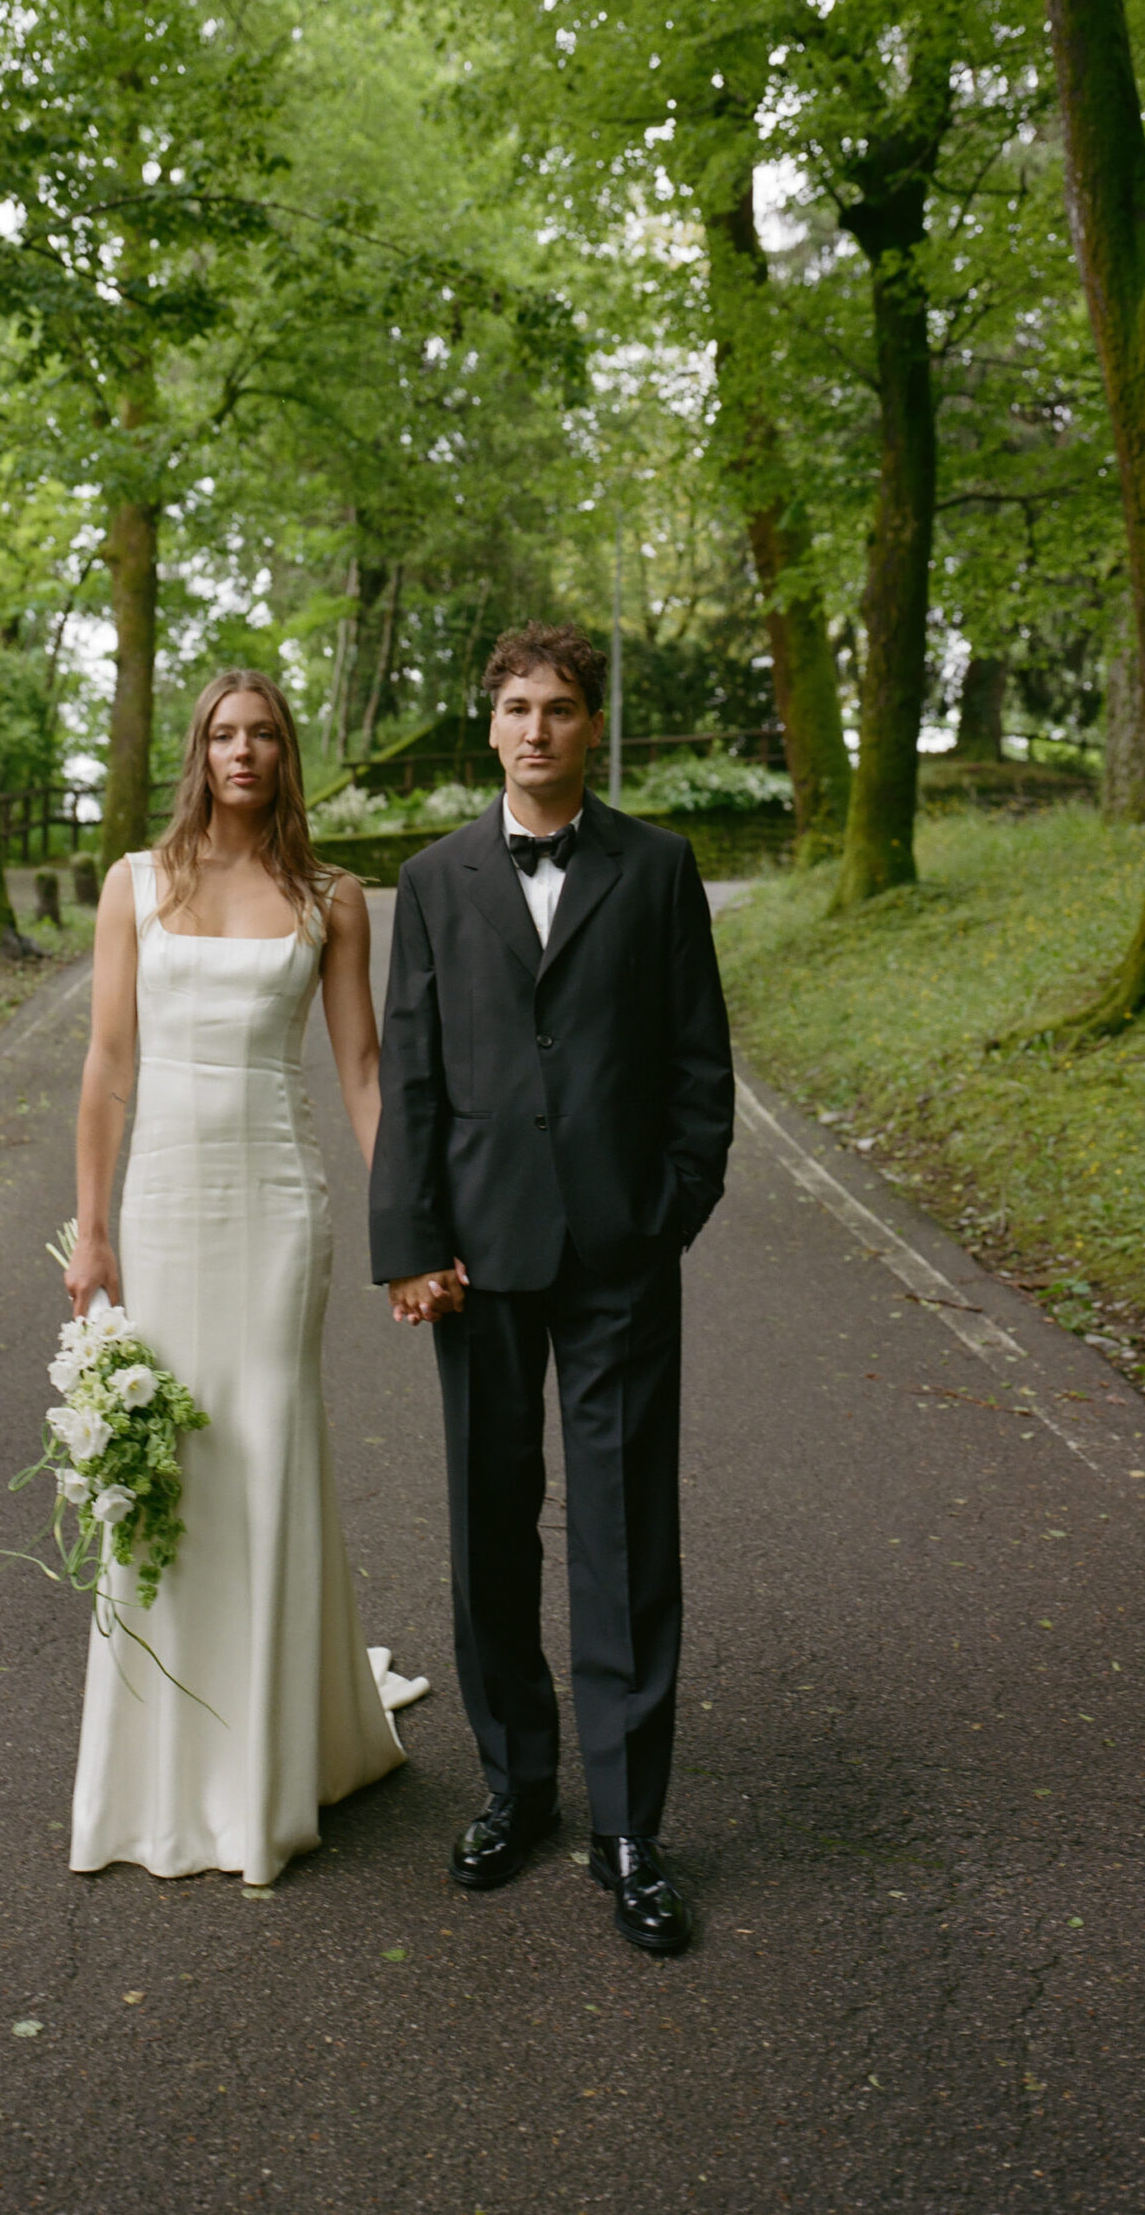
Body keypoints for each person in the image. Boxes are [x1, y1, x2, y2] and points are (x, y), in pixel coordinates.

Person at [368, 622, 733, 1955]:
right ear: (490, 725)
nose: (536, 728)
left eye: (560, 707)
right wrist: (408, 1242)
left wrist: (664, 1214)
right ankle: (516, 1786)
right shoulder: (431, 880)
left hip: (618, 1254)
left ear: (592, 726)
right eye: (516, 706)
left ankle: (628, 1828)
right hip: (475, 1257)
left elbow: (698, 1063)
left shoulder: (659, 868)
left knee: (625, 1533)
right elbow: (411, 1073)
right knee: (489, 1523)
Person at [61, 669, 425, 1886]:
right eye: (223, 733)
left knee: (264, 1441)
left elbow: (360, 1072)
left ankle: (268, 1761)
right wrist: (92, 1230)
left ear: (285, 754)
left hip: (275, 1207)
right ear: (198, 751)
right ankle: (162, 1761)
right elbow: (108, 1064)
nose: (243, 750)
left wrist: (407, 1224)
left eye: (264, 733)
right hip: (164, 1204)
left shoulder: (332, 897)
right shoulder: (134, 883)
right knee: (173, 1459)